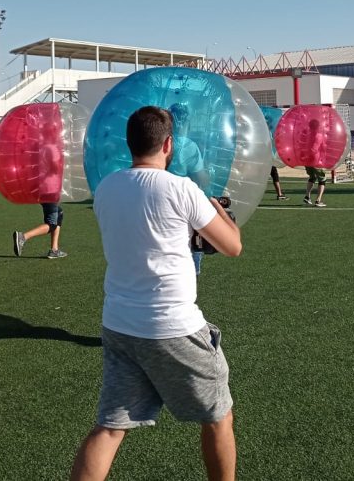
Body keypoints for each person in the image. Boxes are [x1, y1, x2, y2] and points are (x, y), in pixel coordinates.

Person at [70, 106, 241, 481]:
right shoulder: (182, 188)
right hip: (172, 326)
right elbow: (231, 246)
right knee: (218, 417)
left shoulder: (107, 188)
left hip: (119, 325)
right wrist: (221, 213)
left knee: (111, 428)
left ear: (130, 144)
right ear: (169, 144)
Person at [167, 103, 210, 275]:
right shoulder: (189, 146)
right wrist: (209, 174)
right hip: (183, 199)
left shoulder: (162, 143)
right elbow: (201, 178)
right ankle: (193, 260)